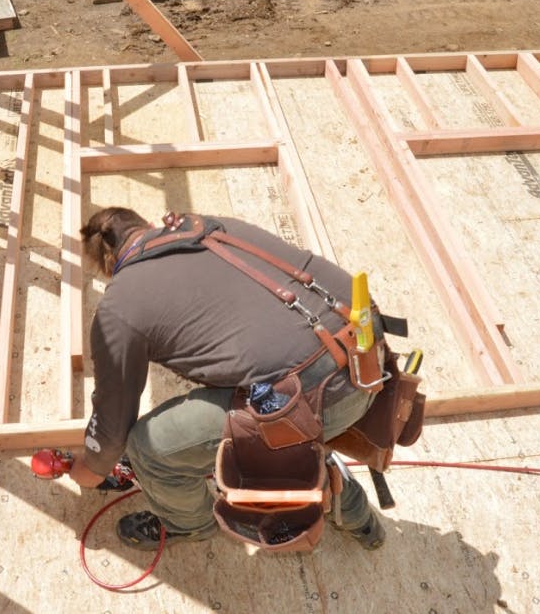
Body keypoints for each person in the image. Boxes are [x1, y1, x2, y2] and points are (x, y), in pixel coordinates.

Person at [69, 207, 387, 551]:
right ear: (147, 225)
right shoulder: (212, 227)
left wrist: (91, 468)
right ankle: (334, 489)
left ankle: (189, 524)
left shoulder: (119, 307)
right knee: (275, 414)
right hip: (369, 354)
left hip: (312, 401)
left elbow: (113, 429)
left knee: (148, 449)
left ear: (106, 266)